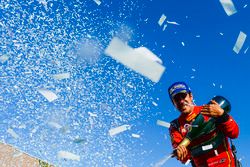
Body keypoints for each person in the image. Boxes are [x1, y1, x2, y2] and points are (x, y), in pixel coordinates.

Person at [168, 81, 239, 167]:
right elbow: (184, 159)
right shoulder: (175, 126)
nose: (181, 101)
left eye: (183, 96)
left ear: (191, 96)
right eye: (176, 99)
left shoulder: (210, 109)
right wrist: (180, 153)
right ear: (173, 103)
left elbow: (234, 133)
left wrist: (222, 115)